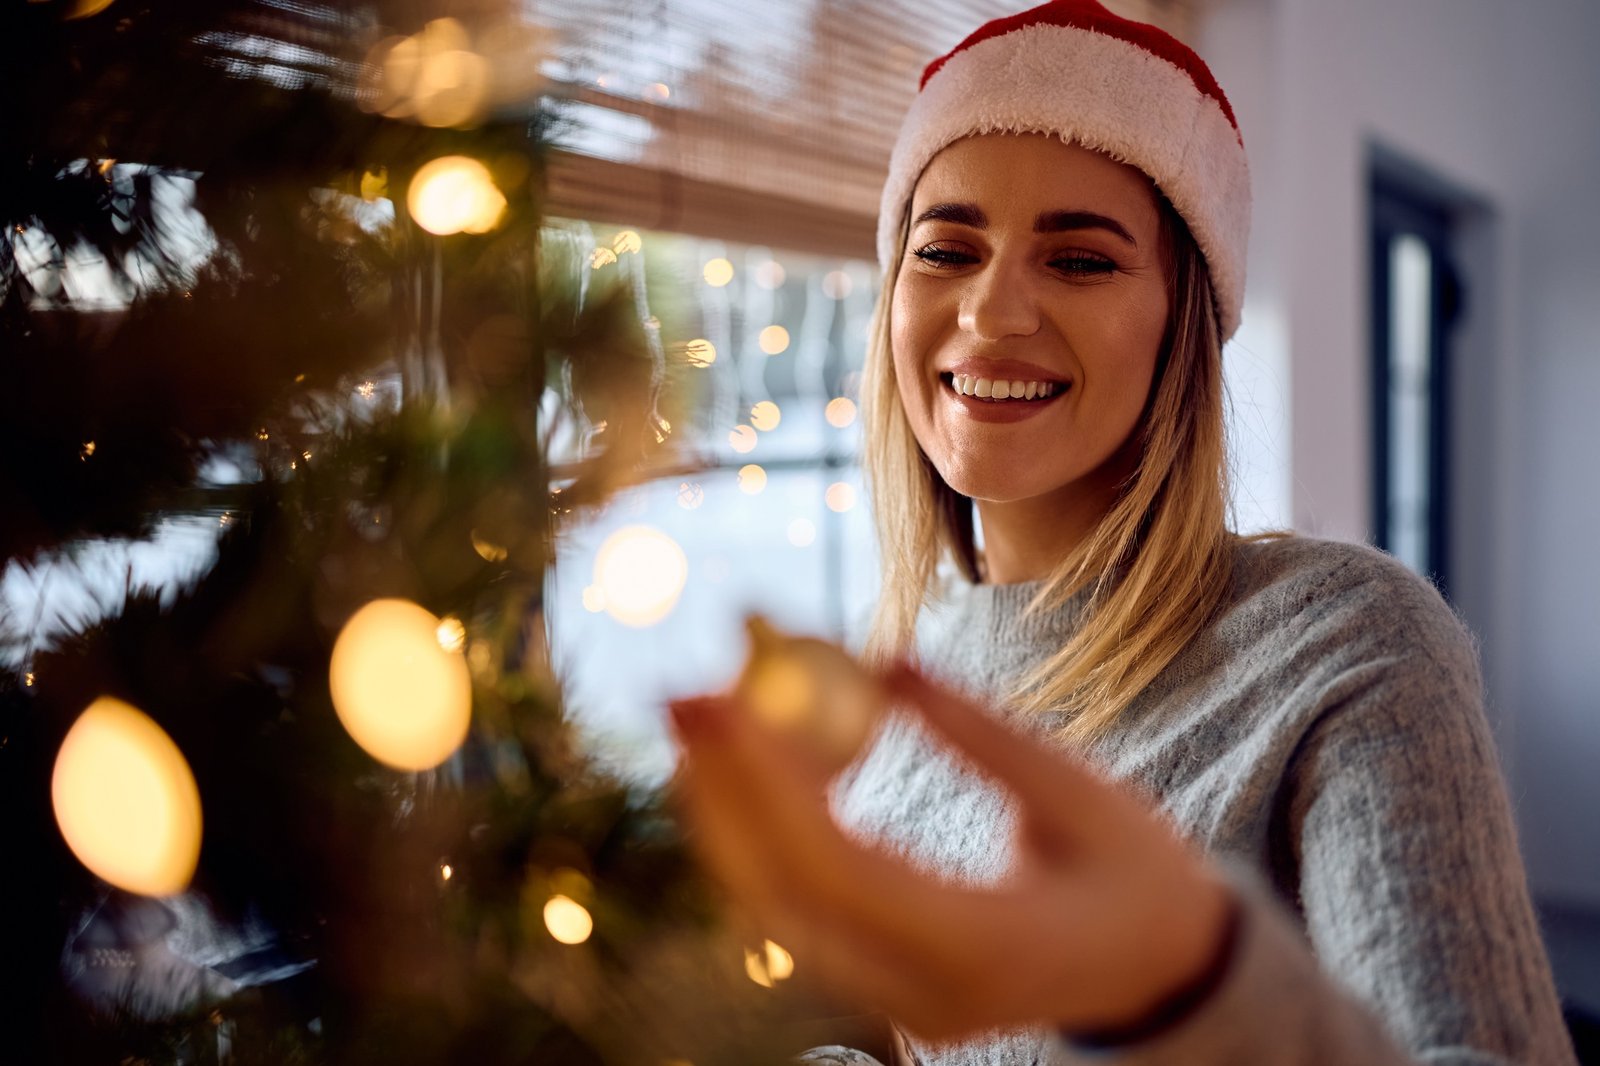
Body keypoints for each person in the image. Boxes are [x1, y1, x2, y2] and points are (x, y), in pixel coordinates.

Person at [667, 2, 1579, 1063]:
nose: (993, 313)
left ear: (1179, 324)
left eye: (1082, 261)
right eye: (946, 249)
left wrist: (1189, 982)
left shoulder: (1351, 646)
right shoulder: (899, 666)